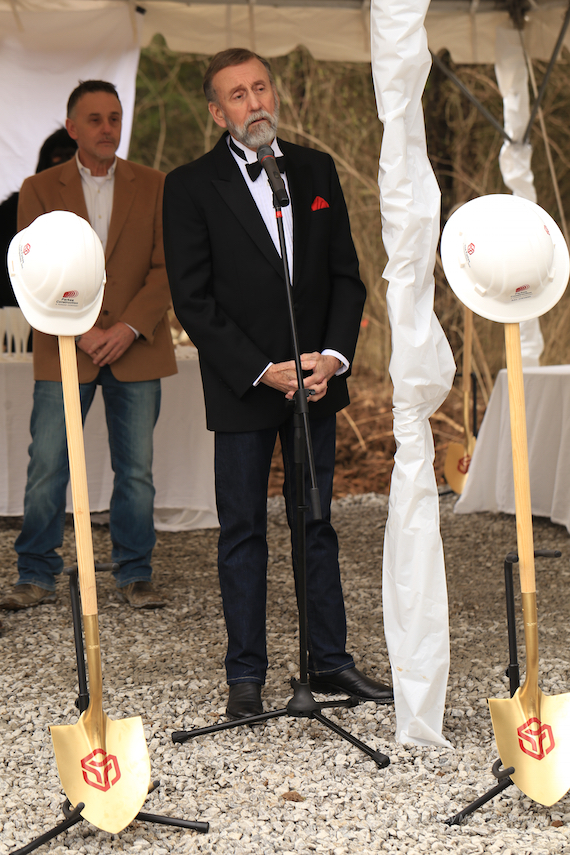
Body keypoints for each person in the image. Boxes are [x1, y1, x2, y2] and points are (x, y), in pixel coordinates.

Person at [162, 48, 393, 719]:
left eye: (261, 87)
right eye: (237, 94)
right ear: (216, 111)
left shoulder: (315, 171)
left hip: (315, 384)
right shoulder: (191, 185)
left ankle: (330, 660)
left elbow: (346, 276)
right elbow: (193, 297)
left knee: (316, 523)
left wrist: (333, 356)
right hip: (243, 386)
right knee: (242, 530)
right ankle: (246, 674)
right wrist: (260, 368)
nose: (253, 101)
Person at [0, 80, 176, 611]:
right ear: (72, 128)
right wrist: (82, 329)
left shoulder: (156, 184)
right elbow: (31, 271)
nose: (107, 128)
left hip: (137, 346)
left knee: (138, 471)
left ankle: (135, 573)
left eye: (115, 118)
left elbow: (168, 269)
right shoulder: (37, 188)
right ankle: (35, 572)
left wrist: (126, 329)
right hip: (63, 346)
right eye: (95, 119)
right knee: (48, 464)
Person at [0, 127, 77, 312]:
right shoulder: (14, 209)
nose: (64, 163)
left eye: (71, 156)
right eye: (58, 156)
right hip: (19, 315)